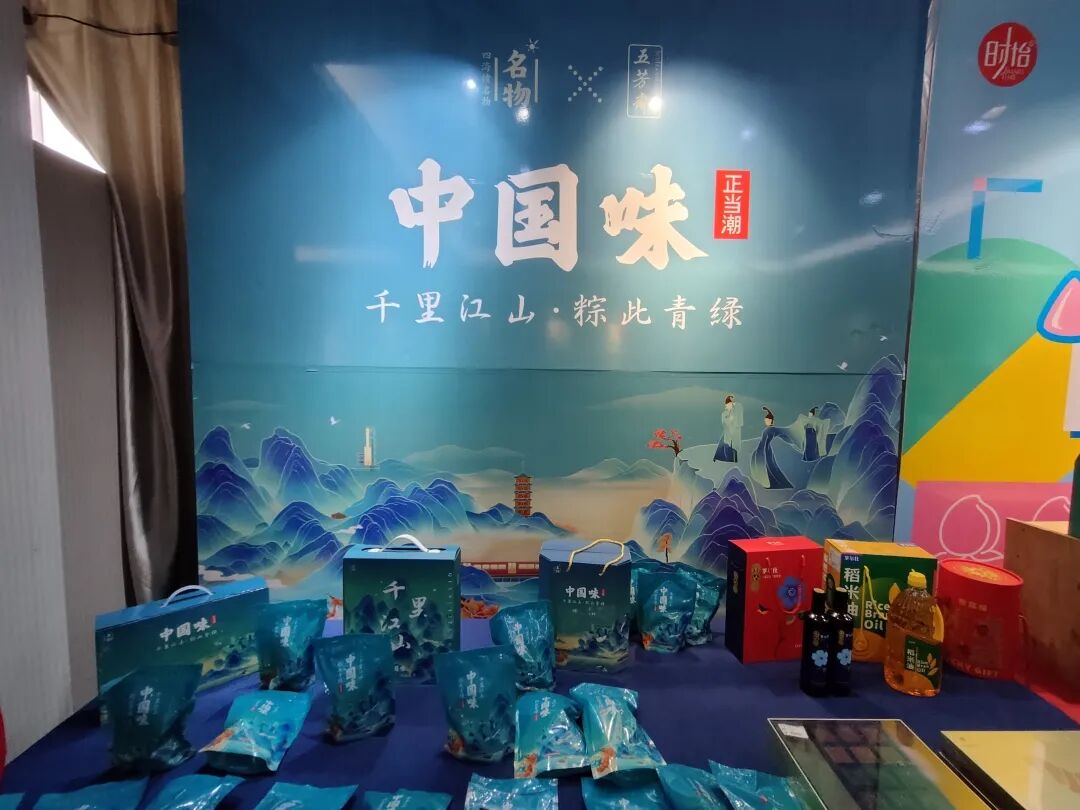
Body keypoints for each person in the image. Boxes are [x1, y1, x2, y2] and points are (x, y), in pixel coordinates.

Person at [713, 395, 743, 462]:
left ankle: (732, 461)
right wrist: (729, 420)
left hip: (734, 434)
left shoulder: (736, 411)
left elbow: (739, 421)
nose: (731, 404)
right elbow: (724, 423)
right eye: (730, 402)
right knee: (725, 447)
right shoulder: (724, 413)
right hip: (727, 433)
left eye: (732, 402)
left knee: (733, 449)